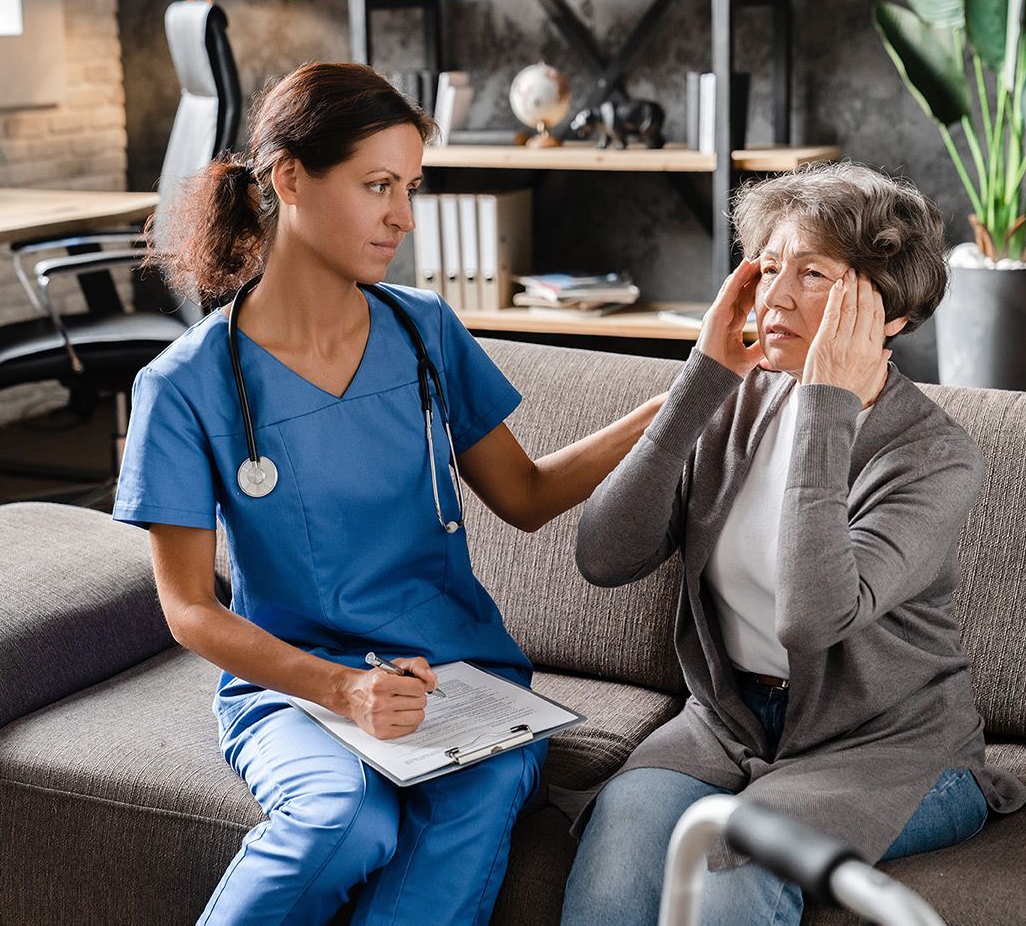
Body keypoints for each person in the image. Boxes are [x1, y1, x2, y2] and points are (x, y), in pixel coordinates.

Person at [111, 61, 665, 926]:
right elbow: (190, 611)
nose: (402, 217)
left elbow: (523, 494)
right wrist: (339, 690)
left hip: (461, 675)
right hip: (293, 686)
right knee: (343, 821)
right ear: (289, 177)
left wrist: (677, 405)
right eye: (377, 186)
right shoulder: (185, 386)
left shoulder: (425, 329)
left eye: (408, 187)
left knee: (472, 806)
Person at [561, 162, 1026, 926]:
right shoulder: (734, 406)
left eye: (812, 273)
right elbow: (603, 556)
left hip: (889, 746)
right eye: (769, 267)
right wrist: (700, 381)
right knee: (623, 844)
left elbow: (813, 618)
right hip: (726, 724)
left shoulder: (931, 455)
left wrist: (825, 406)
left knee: (737, 859)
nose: (774, 297)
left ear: (890, 309)